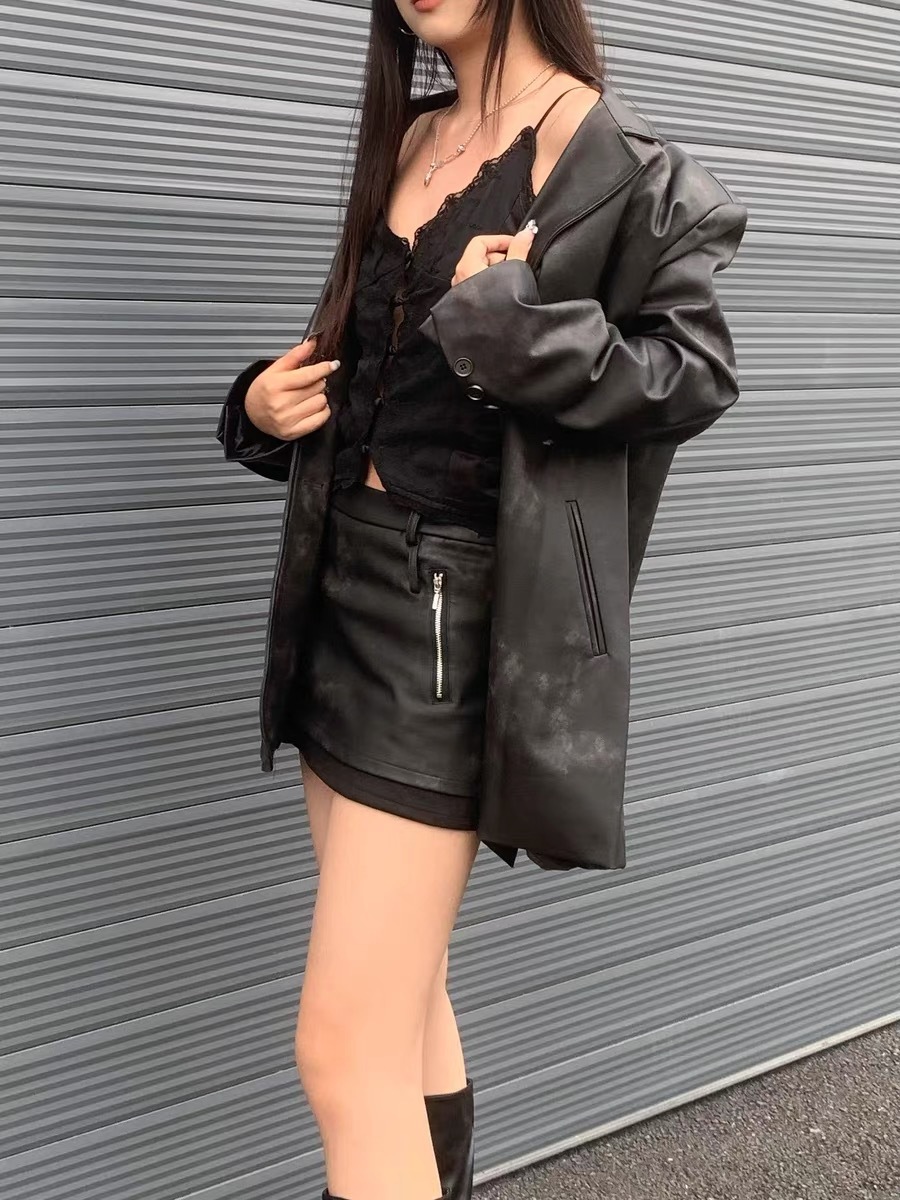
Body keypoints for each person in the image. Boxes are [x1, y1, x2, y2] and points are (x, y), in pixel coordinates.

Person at [216, 2, 749, 1199]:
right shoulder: (411, 135)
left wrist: (518, 327)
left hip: (443, 631)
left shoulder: (609, 158)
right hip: (336, 595)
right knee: (402, 1006)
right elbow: (369, 366)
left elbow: (694, 371)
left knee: (341, 1050)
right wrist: (259, 406)